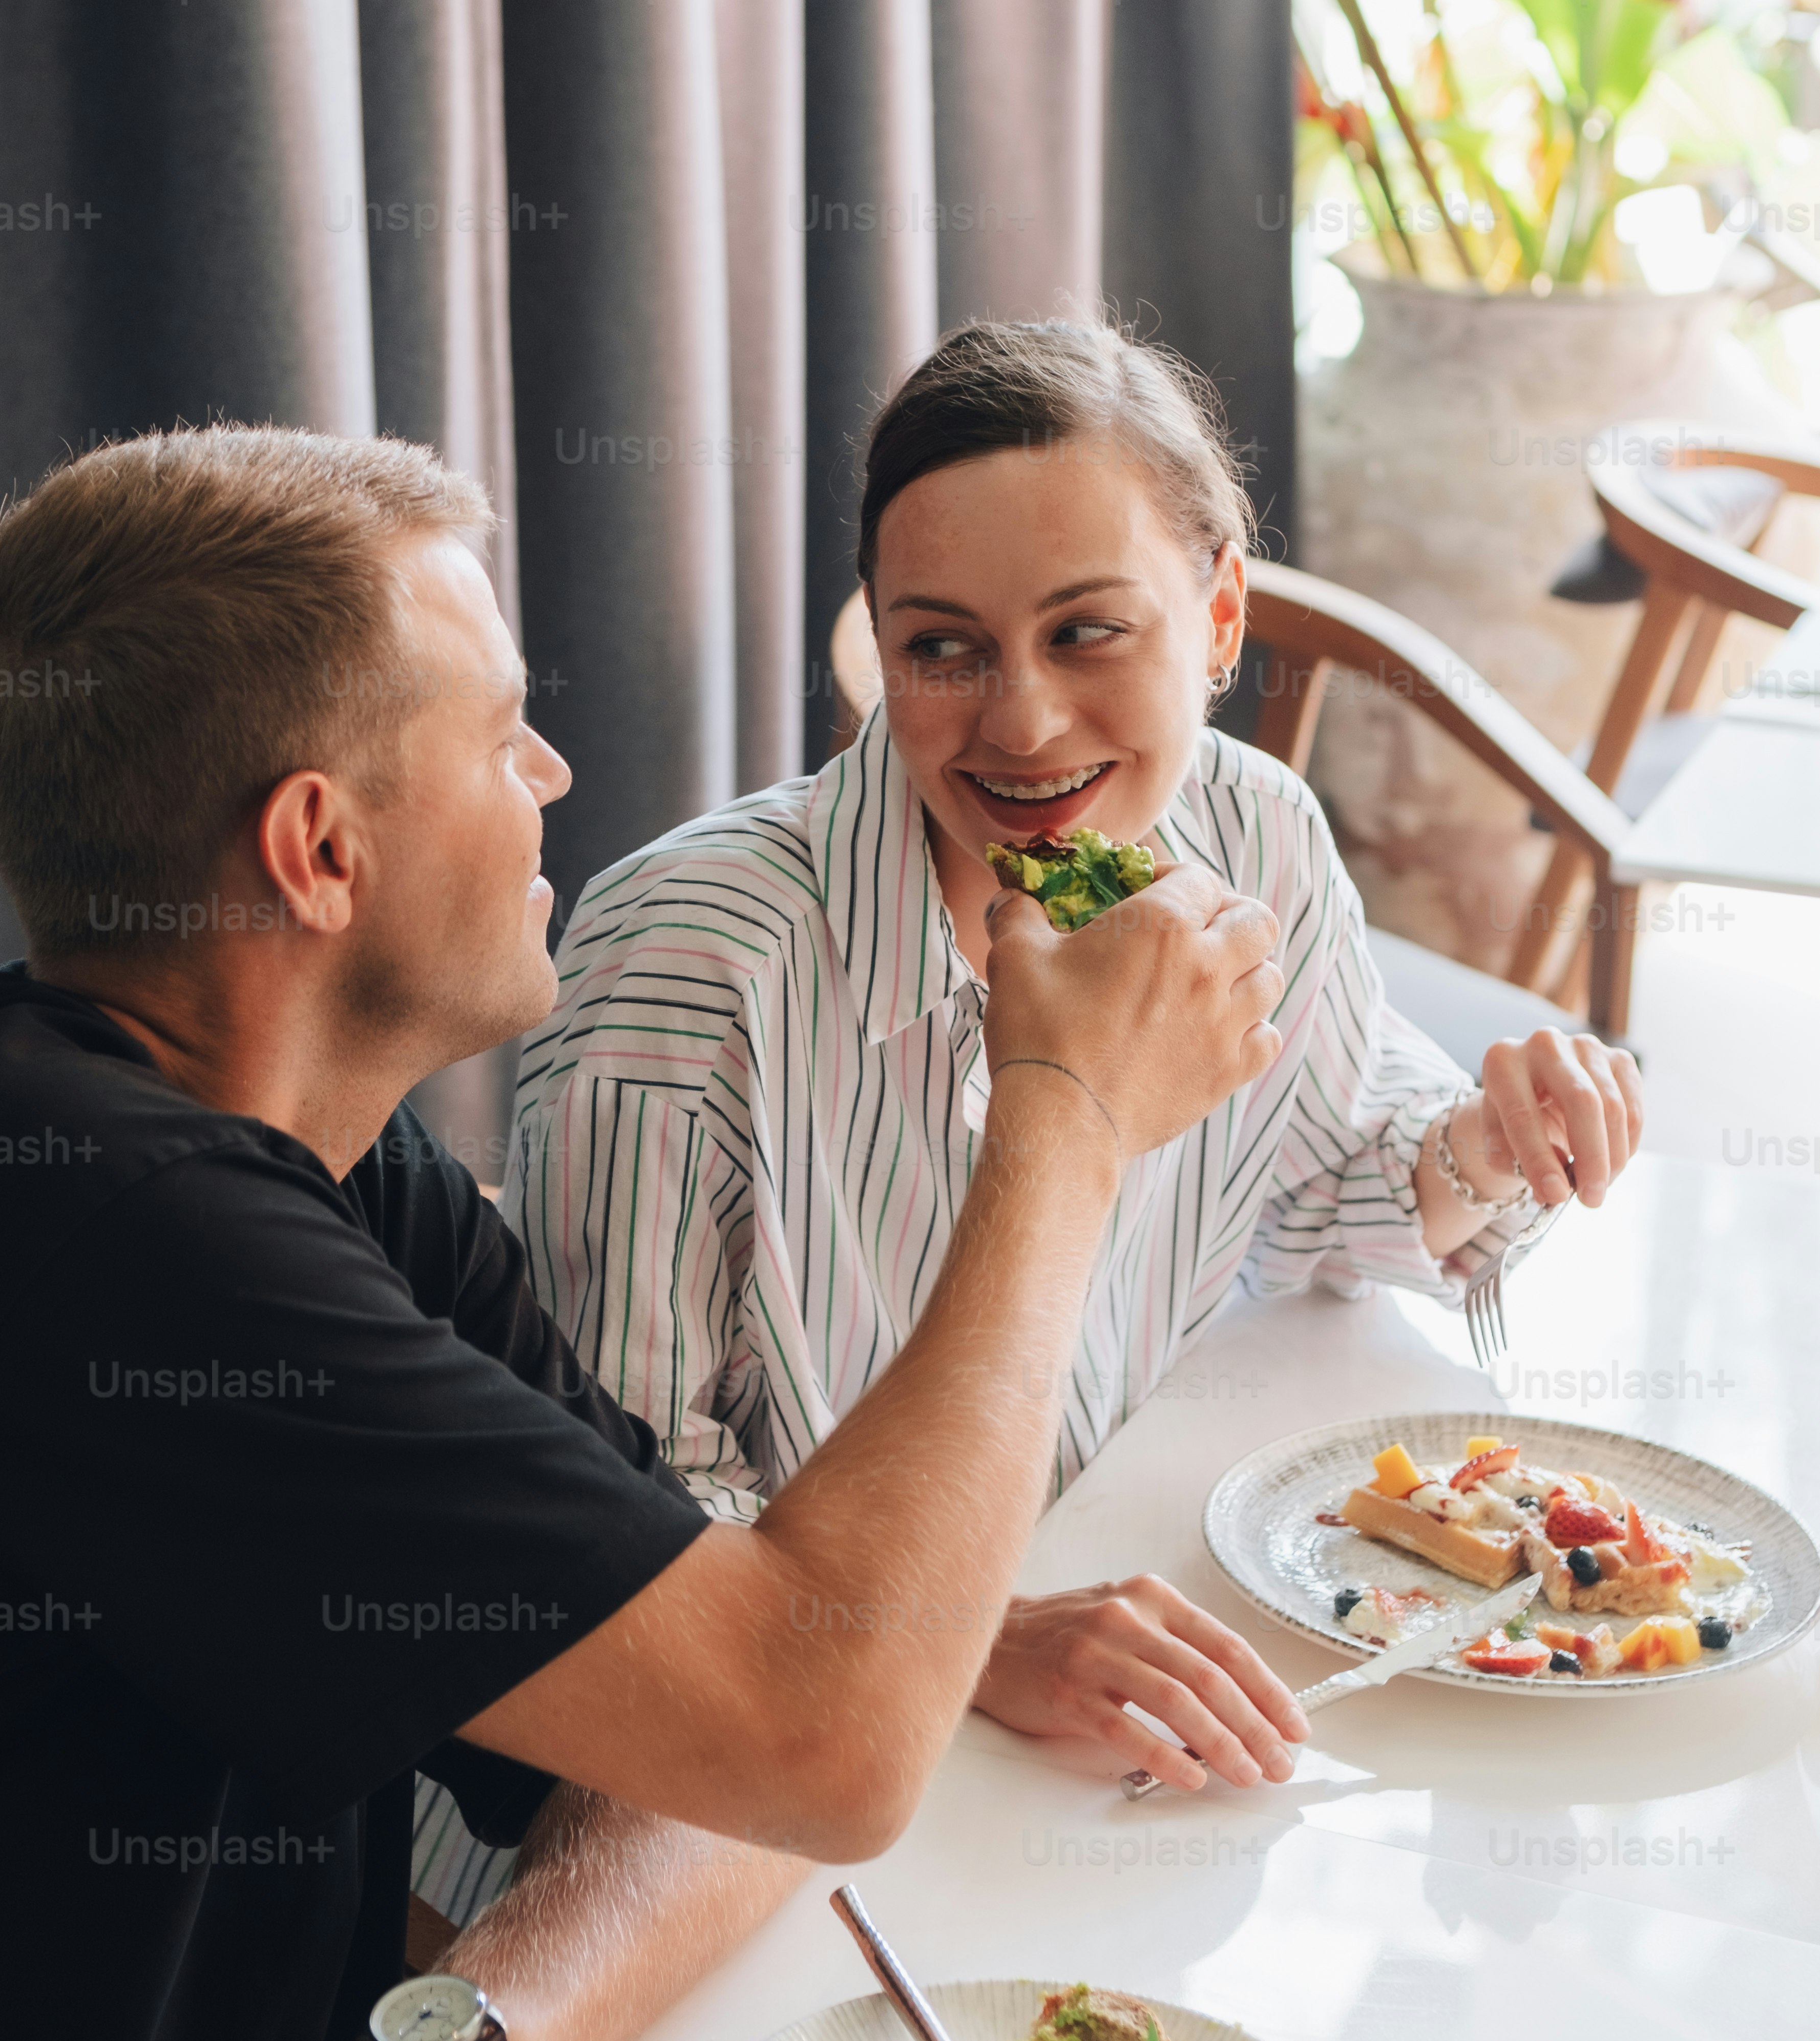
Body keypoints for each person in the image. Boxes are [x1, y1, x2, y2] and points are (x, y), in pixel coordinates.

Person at [0, 421, 1287, 2041]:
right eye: (499, 735)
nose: (553, 774)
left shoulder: (329, 1154)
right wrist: (1062, 1117)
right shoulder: (97, 1239)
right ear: (321, 849)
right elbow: (832, 1728)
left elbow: (732, 1746)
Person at [418, 318, 1642, 1920]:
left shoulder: (1250, 835)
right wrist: (969, 1637)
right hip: (679, 1843)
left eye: (1085, 634)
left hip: (1109, 1728)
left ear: (1217, 615)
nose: (1019, 725)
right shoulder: (688, 960)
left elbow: (1323, 1176)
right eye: (943, 649)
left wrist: (1484, 1146)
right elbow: (620, 1545)